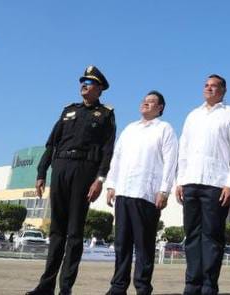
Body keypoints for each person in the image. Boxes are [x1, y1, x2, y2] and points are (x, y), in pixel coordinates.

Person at [26, 66, 116, 295]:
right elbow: (51, 143)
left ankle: (66, 288)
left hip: (85, 170)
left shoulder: (105, 114)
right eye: (83, 81)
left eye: (89, 82)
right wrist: (40, 172)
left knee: (74, 233)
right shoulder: (68, 110)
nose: (84, 85)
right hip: (61, 168)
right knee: (56, 230)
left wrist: (100, 179)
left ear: (99, 89)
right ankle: (45, 286)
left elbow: (107, 151)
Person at [176, 74, 230, 295]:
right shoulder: (193, 115)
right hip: (191, 182)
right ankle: (192, 284)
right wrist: (180, 181)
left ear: (223, 91)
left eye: (214, 86)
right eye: (206, 85)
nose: (209, 89)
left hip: (216, 184)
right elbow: (183, 151)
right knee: (192, 235)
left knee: (212, 236)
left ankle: (208, 285)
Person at [105, 90, 178, 295]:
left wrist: (164, 190)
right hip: (124, 192)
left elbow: (170, 162)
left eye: (151, 102)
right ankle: (118, 286)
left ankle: (143, 288)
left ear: (160, 108)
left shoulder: (165, 129)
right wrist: (111, 185)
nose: (146, 104)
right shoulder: (130, 129)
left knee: (144, 245)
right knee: (121, 243)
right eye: (144, 101)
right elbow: (116, 158)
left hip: (146, 194)